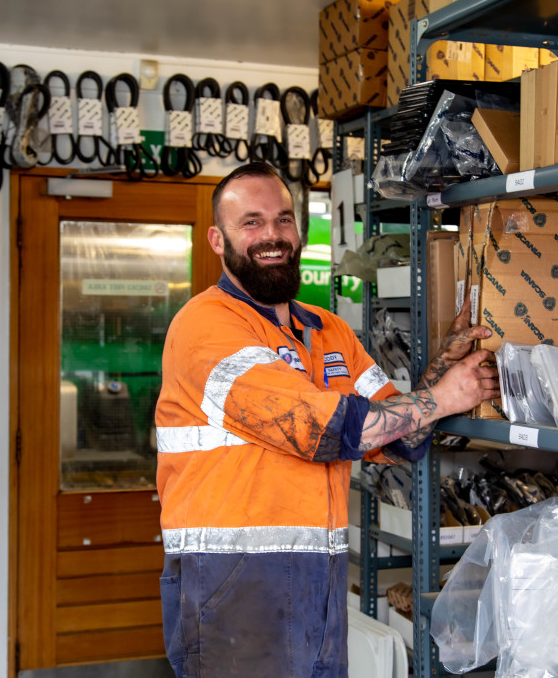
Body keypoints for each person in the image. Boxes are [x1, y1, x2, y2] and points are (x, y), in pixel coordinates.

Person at [155, 162, 499, 677]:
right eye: (251, 222)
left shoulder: (328, 330)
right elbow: (324, 428)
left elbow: (400, 436)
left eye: (283, 219)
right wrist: (445, 397)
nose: (272, 235)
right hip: (232, 586)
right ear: (217, 240)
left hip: (318, 582)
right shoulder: (205, 327)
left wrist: (442, 370)